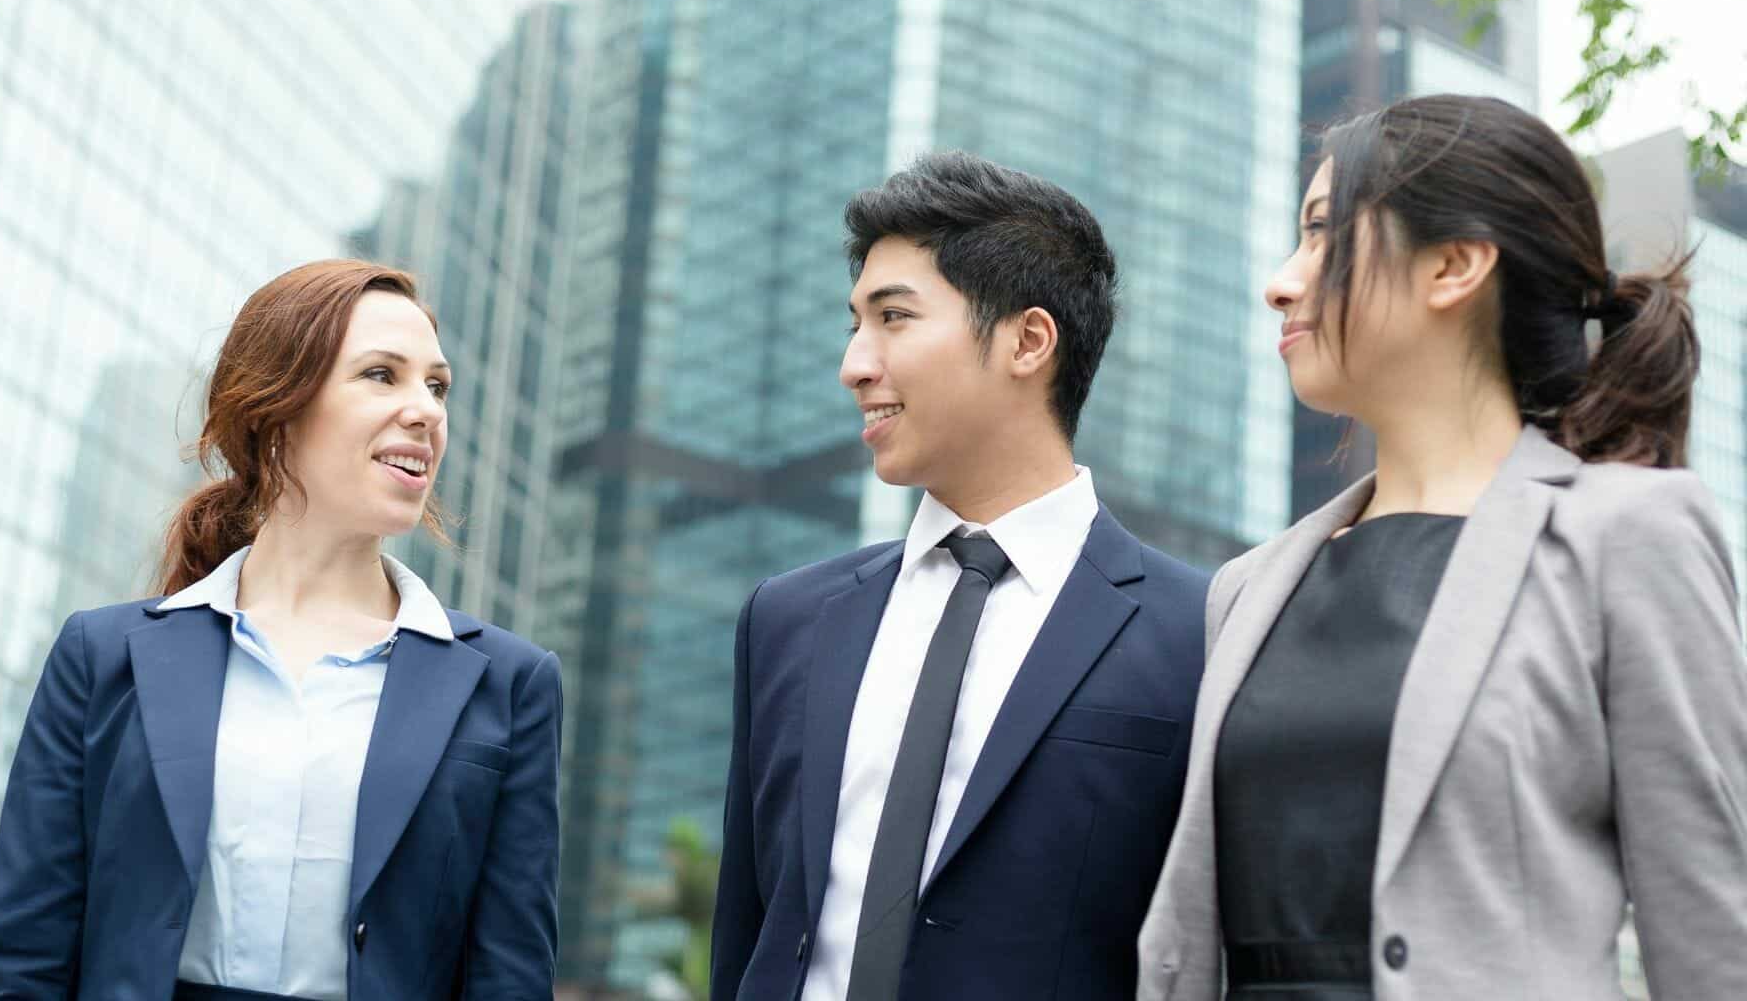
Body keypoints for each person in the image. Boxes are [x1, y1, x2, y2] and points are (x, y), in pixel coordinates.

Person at [1138, 95, 1747, 1000]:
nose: (1281, 280)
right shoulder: (1247, 589)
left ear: (1454, 265)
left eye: (1319, 233)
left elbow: (1712, 941)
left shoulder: (1629, 536)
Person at [0, 261, 561, 1000]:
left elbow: (510, 978)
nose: (426, 411)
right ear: (276, 410)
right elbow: (22, 957)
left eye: (436, 386)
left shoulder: (509, 685)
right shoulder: (103, 658)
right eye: (382, 375)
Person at [711, 152, 1209, 1001]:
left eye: (894, 318)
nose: (855, 365)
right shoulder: (787, 618)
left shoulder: (1203, 629)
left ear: (1028, 340)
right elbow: (747, 930)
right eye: (854, 324)